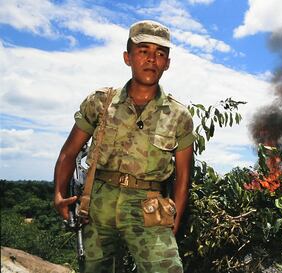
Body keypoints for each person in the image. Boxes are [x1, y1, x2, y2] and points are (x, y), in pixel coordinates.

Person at [53, 20, 195, 273]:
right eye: (143, 51)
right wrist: (59, 194)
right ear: (128, 57)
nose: (152, 59)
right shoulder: (100, 102)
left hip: (149, 206)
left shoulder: (178, 115)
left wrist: (176, 220)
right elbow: (69, 151)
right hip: (97, 203)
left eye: (160, 53)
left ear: (167, 64)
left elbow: (184, 176)